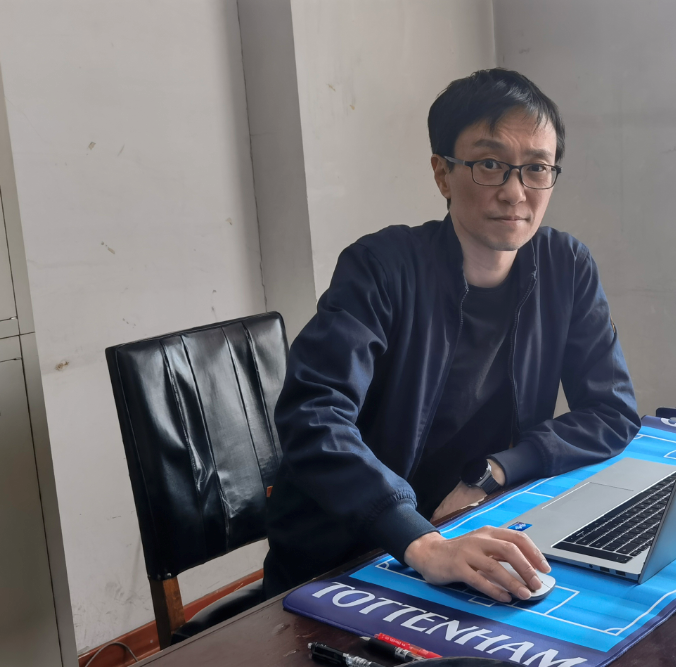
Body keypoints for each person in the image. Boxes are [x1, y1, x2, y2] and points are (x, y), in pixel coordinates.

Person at [263, 68, 640, 601]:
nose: (515, 192)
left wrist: (496, 470)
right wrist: (420, 541)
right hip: (352, 552)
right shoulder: (381, 268)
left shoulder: (565, 266)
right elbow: (313, 416)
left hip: (478, 527)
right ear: (442, 173)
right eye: (490, 165)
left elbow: (612, 411)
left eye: (537, 168)